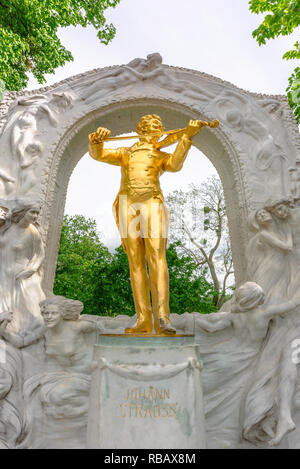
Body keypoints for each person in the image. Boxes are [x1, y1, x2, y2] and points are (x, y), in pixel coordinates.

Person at [89, 114, 207, 335]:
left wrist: (186, 138)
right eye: (153, 126)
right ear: (141, 130)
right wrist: (97, 140)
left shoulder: (160, 154)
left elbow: (174, 165)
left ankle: (163, 317)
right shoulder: (126, 152)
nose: (158, 130)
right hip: (128, 204)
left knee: (156, 256)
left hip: (152, 202)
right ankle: (143, 318)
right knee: (134, 261)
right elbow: (100, 155)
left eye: (160, 127)